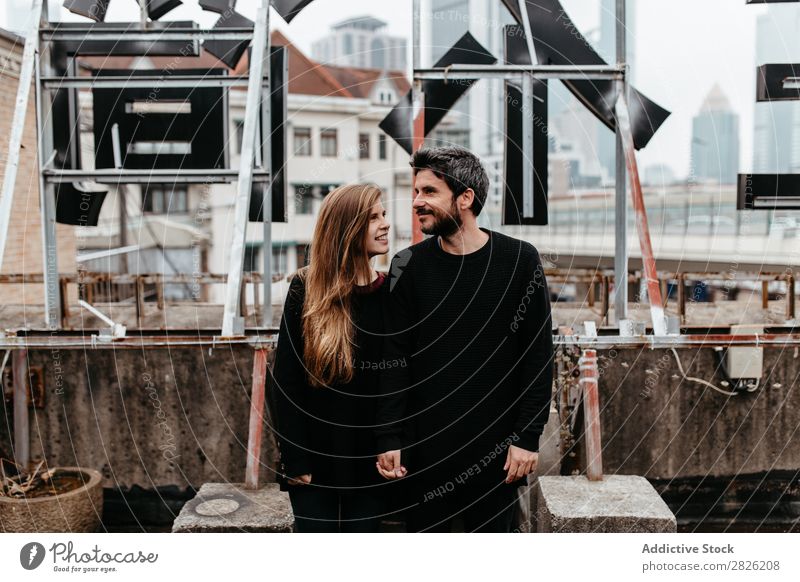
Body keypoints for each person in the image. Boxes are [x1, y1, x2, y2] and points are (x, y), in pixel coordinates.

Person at [375, 146, 554, 532]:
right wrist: (389, 436)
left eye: (429, 192)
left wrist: (528, 437)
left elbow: (537, 358)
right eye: (416, 192)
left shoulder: (520, 260)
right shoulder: (406, 265)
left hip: (497, 457)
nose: (417, 202)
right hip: (423, 456)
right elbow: (394, 358)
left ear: (466, 198)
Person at [271, 184, 392, 532]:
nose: (384, 223)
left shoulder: (390, 292)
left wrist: (392, 446)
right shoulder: (304, 289)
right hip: (313, 463)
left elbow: (394, 381)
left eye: (383, 214)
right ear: (346, 227)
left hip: (370, 461)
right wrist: (296, 460)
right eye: (373, 218)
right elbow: (287, 381)